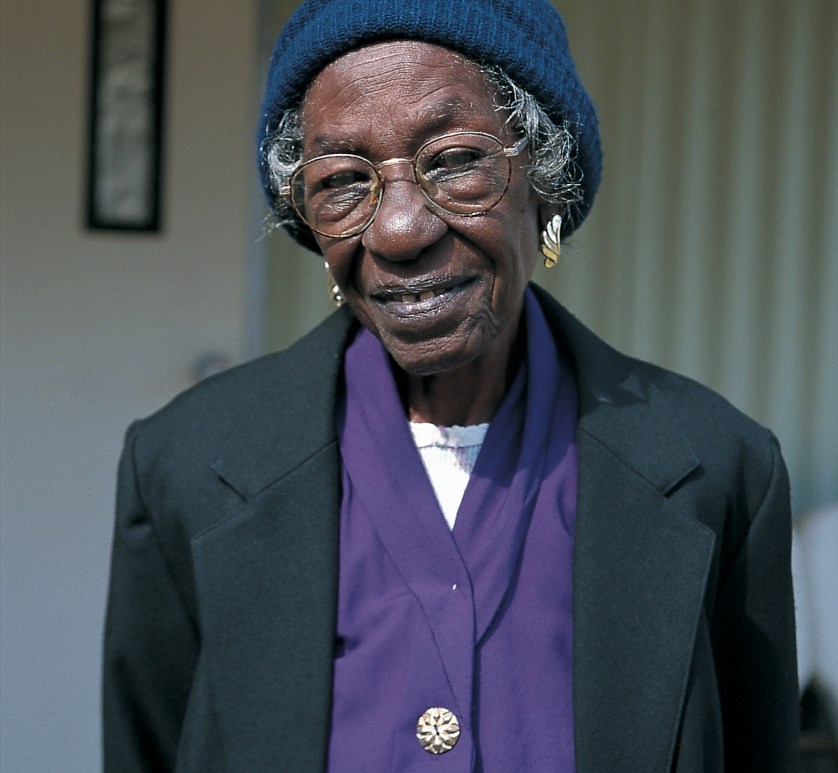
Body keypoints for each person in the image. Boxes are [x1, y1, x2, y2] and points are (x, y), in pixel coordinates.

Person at [102, 0, 800, 770]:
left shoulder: (718, 468)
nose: (399, 229)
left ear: (546, 183)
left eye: (456, 160)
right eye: (343, 180)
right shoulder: (184, 467)